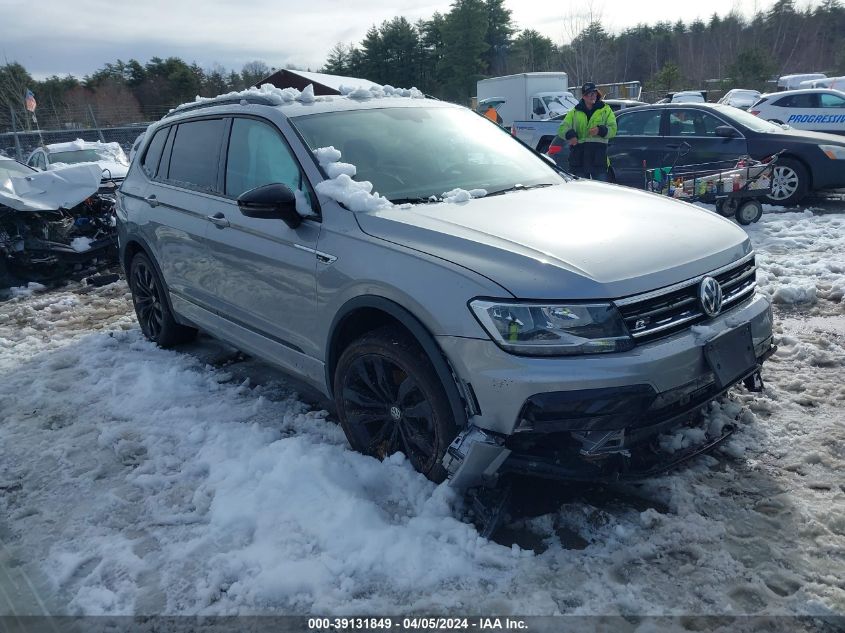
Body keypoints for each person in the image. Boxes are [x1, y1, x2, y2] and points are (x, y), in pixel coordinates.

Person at [556, 82, 617, 180]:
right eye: (589, 94)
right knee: (581, 192)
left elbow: (613, 129)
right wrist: (570, 135)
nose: (592, 96)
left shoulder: (606, 110)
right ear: (583, 96)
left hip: (598, 160)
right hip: (579, 160)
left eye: (594, 93)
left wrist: (600, 130)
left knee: (600, 191)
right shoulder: (574, 112)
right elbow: (562, 128)